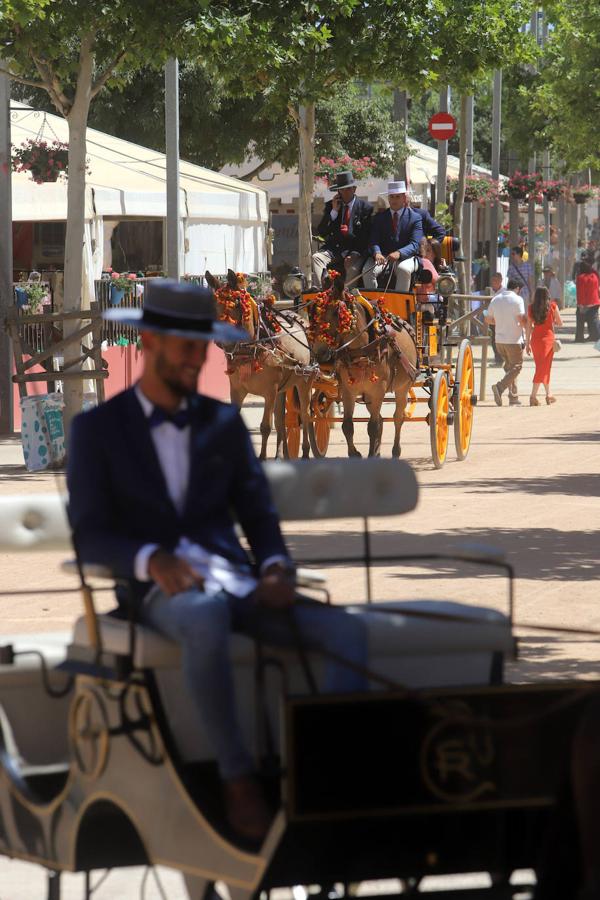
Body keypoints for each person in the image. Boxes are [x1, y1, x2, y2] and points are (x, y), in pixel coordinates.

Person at [66, 279, 367, 843]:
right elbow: (90, 538)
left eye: (203, 346)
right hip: (161, 594)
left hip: (240, 583)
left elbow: (259, 518)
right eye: (187, 346)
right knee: (203, 615)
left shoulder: (222, 424)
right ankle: (237, 779)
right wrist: (151, 560)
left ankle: (322, 777)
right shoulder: (97, 431)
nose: (198, 358)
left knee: (348, 633)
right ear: (149, 342)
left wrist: (275, 567)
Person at [312, 170, 373, 288]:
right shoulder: (331, 205)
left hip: (355, 249)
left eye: (348, 189)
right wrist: (334, 211)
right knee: (316, 257)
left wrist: (354, 254)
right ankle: (323, 292)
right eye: (342, 189)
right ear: (338, 191)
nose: (345, 192)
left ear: (354, 189)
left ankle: (347, 296)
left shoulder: (365, 208)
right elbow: (322, 231)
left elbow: (366, 236)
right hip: (335, 249)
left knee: (352, 269)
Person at [362, 181, 424, 292]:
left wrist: (399, 253)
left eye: (397, 196)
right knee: (367, 271)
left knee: (403, 269)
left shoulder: (415, 218)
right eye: (392, 196)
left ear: (404, 198)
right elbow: (373, 239)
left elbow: (415, 244)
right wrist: (377, 253)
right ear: (388, 199)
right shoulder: (379, 218)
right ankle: (373, 301)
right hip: (383, 257)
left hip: (407, 257)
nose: (394, 200)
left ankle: (400, 301)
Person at [486, 278, 527, 406]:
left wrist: (500, 322)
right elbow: (521, 318)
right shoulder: (518, 299)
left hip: (499, 341)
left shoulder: (495, 299)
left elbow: (488, 319)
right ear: (517, 288)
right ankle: (499, 387)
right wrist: (528, 329)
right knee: (517, 366)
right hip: (513, 340)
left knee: (510, 368)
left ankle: (513, 397)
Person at [526, 285, 563, 405]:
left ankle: (548, 394)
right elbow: (560, 323)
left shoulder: (531, 308)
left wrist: (527, 343)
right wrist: (552, 321)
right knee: (542, 368)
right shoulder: (552, 306)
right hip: (548, 340)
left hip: (535, 340)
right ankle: (533, 396)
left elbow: (528, 327)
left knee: (543, 367)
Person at [575, 257, 600, 343]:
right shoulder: (595, 277)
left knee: (580, 320)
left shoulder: (580, 278)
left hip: (584, 303)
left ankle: (579, 337)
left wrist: (581, 305)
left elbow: (580, 292)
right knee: (593, 320)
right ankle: (595, 335)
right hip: (594, 302)